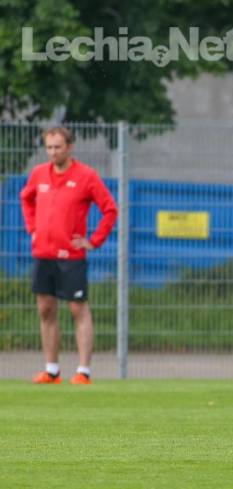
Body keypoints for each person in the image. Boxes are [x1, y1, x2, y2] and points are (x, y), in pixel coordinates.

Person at [20, 126, 118, 385]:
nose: (53, 152)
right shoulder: (39, 173)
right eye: (49, 147)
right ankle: (52, 371)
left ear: (69, 148)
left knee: (77, 308)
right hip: (43, 253)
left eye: (58, 147)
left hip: (72, 256)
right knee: (45, 309)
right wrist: (33, 229)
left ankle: (83, 372)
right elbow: (26, 199)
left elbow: (110, 209)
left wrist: (94, 241)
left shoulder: (87, 176)